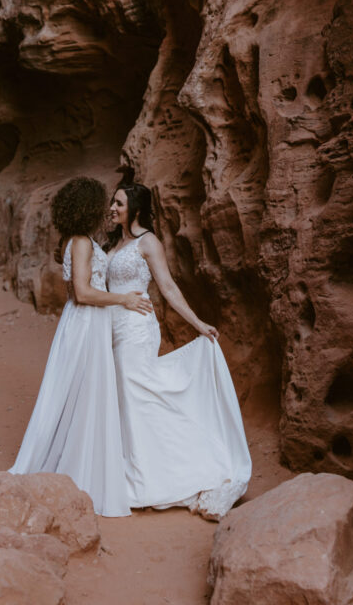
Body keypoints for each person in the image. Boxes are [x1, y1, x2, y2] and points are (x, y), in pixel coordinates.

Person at [0, 176, 152, 517]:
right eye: (100, 203)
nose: (106, 210)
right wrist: (124, 300)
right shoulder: (82, 243)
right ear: (85, 208)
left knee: (77, 396)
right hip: (87, 322)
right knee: (79, 394)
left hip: (86, 322)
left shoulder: (78, 240)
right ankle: (76, 471)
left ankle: (78, 466)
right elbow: (83, 293)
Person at [105, 183, 252, 519]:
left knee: (134, 398)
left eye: (119, 203)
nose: (112, 208)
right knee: (127, 402)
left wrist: (198, 323)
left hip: (136, 331)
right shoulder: (117, 243)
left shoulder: (148, 242)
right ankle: (133, 468)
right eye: (112, 202)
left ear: (136, 210)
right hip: (112, 331)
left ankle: (153, 477)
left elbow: (168, 287)